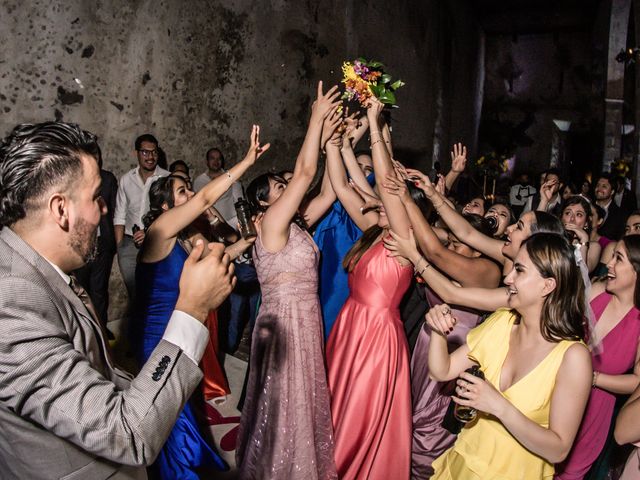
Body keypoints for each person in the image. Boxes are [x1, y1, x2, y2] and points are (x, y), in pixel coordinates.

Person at [0, 121, 236, 479]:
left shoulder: (33, 264)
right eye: (97, 197)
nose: (106, 210)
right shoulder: (12, 303)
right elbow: (127, 433)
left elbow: (95, 372)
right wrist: (193, 308)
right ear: (61, 210)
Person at [135, 126, 265, 479]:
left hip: (182, 329)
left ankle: (189, 459)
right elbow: (206, 199)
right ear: (165, 206)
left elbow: (224, 250)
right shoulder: (160, 232)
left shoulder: (185, 238)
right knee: (168, 414)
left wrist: (255, 239)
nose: (190, 194)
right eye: (182, 192)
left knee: (185, 403)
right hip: (159, 336)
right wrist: (246, 162)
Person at [236, 82, 341, 480]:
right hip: (284, 324)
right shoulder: (272, 226)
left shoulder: (295, 224)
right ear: (264, 202)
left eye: (285, 185)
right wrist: (314, 118)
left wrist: (333, 141)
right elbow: (306, 172)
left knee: (304, 400)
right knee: (283, 401)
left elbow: (329, 190)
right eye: (278, 187)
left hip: (305, 317)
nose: (286, 186)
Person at [426, 233, 592, 479]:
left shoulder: (573, 356)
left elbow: (558, 449)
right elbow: (442, 371)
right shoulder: (502, 322)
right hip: (463, 465)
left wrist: (498, 406)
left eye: (519, 270)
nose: (508, 277)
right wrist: (439, 332)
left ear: (547, 285)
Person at [326, 96, 413, 479]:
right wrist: (331, 142)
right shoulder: (372, 234)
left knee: (361, 412)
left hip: (378, 337)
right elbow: (343, 189)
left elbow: (390, 191)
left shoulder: (404, 241)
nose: (374, 199)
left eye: (382, 200)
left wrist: (376, 127)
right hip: (350, 325)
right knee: (337, 401)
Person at [556, 235, 640, 479]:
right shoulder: (599, 290)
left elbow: (637, 381)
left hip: (594, 412)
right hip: (557, 390)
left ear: (636, 271)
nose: (610, 264)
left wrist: (592, 377)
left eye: (618, 259)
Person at [114, 133, 169, 301]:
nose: (150, 157)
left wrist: (150, 233)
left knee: (155, 292)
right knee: (135, 294)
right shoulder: (126, 180)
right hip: (129, 245)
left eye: (154, 152)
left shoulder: (167, 178)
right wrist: (120, 247)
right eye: (145, 152)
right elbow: (119, 215)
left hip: (157, 242)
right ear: (136, 153)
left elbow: (171, 214)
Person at [72, 144, 118, 339]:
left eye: (97, 155)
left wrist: (115, 243)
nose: (95, 159)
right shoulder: (73, 179)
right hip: (80, 245)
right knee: (80, 291)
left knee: (100, 291)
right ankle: (85, 334)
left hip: (102, 243)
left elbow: (115, 211)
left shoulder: (108, 179)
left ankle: (101, 328)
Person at [193, 147, 244, 227]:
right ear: (207, 161)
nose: (216, 161)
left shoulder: (231, 176)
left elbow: (240, 199)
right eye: (212, 158)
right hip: (211, 224)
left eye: (219, 159)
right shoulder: (199, 181)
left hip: (233, 221)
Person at [594, 173, 625, 240]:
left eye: (604, 186)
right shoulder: (587, 207)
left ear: (612, 192)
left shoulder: (619, 215)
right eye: (598, 185)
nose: (599, 189)